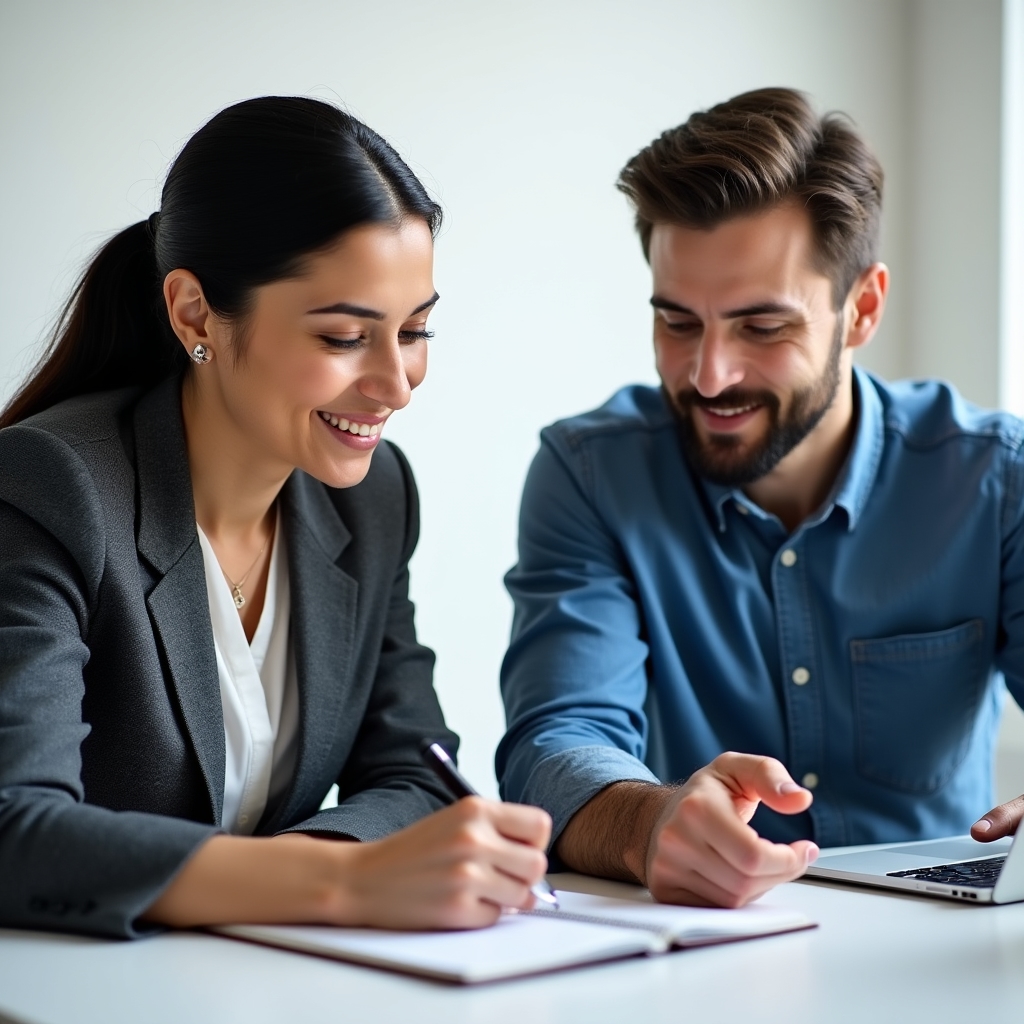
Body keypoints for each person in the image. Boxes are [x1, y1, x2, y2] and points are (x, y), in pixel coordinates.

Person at [0, 96, 550, 939]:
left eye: (416, 330)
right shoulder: (50, 487)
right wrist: (342, 881)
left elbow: (413, 772)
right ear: (195, 315)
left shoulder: (372, 497)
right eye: (343, 337)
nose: (397, 385)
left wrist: (338, 868)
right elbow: (15, 830)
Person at [497, 87, 1024, 909]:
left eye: (761, 327)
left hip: (942, 953)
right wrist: (647, 822)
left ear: (864, 309)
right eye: (678, 322)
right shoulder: (589, 475)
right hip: (700, 956)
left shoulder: (994, 479)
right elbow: (558, 742)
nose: (709, 375)